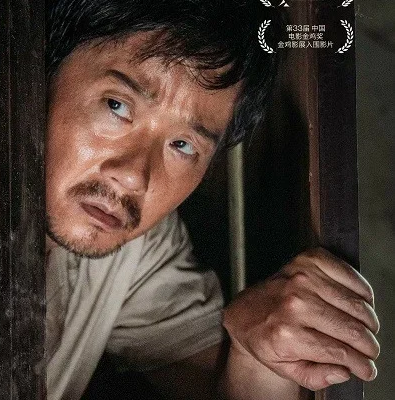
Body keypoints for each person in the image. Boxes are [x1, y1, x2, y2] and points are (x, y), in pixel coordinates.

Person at [43, 0, 380, 399]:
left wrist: (257, 355)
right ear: (42, 74)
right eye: (117, 106)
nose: (134, 177)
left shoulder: (138, 246)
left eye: (182, 145)